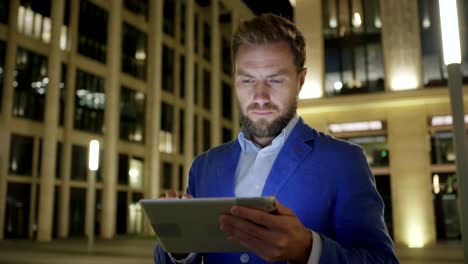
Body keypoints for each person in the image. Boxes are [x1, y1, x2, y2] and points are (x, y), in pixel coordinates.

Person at [154, 13, 399, 264]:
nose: (260, 96)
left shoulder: (345, 161)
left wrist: (309, 249)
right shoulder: (204, 166)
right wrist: (180, 250)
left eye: (275, 80)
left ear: (300, 81)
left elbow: (382, 260)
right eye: (247, 80)